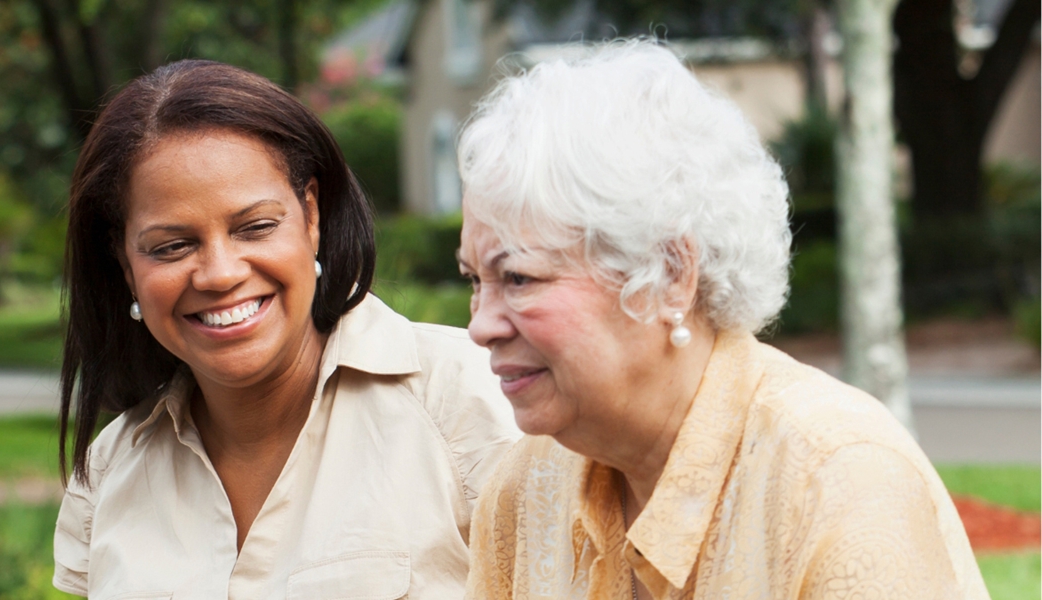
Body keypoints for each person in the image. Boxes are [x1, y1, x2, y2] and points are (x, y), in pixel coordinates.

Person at [456, 42, 987, 599]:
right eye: (473, 280)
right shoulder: (524, 492)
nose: (481, 325)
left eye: (518, 278)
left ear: (669, 274)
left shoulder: (836, 479)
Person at [52, 59, 520, 599]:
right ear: (125, 264)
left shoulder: (473, 403)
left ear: (311, 216)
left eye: (255, 227)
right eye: (172, 246)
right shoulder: (111, 471)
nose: (221, 272)